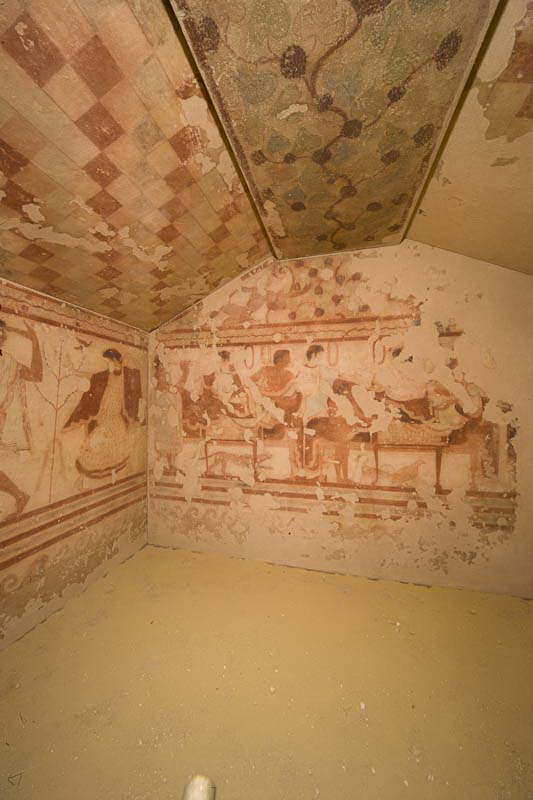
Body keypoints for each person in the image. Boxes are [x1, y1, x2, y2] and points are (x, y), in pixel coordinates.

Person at [64, 348, 142, 479]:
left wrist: (127, 358)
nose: (108, 365)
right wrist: (75, 372)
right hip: (103, 418)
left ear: (115, 361)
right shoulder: (106, 376)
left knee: (98, 444)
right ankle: (88, 476)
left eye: (109, 362)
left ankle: (105, 472)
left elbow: (135, 376)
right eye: (107, 363)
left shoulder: (125, 378)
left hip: (113, 420)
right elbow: (92, 376)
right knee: (91, 445)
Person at [0, 317, 42, 516]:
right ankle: (19, 495)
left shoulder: (9, 363)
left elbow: (36, 375)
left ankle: (19, 495)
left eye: (2, 334)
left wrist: (35, 342)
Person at [251, 349, 302, 424]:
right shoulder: (265, 369)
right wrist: (258, 390)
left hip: (278, 404)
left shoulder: (290, 375)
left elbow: (293, 394)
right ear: (279, 360)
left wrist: (263, 393)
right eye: (287, 358)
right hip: (265, 402)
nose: (289, 360)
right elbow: (250, 381)